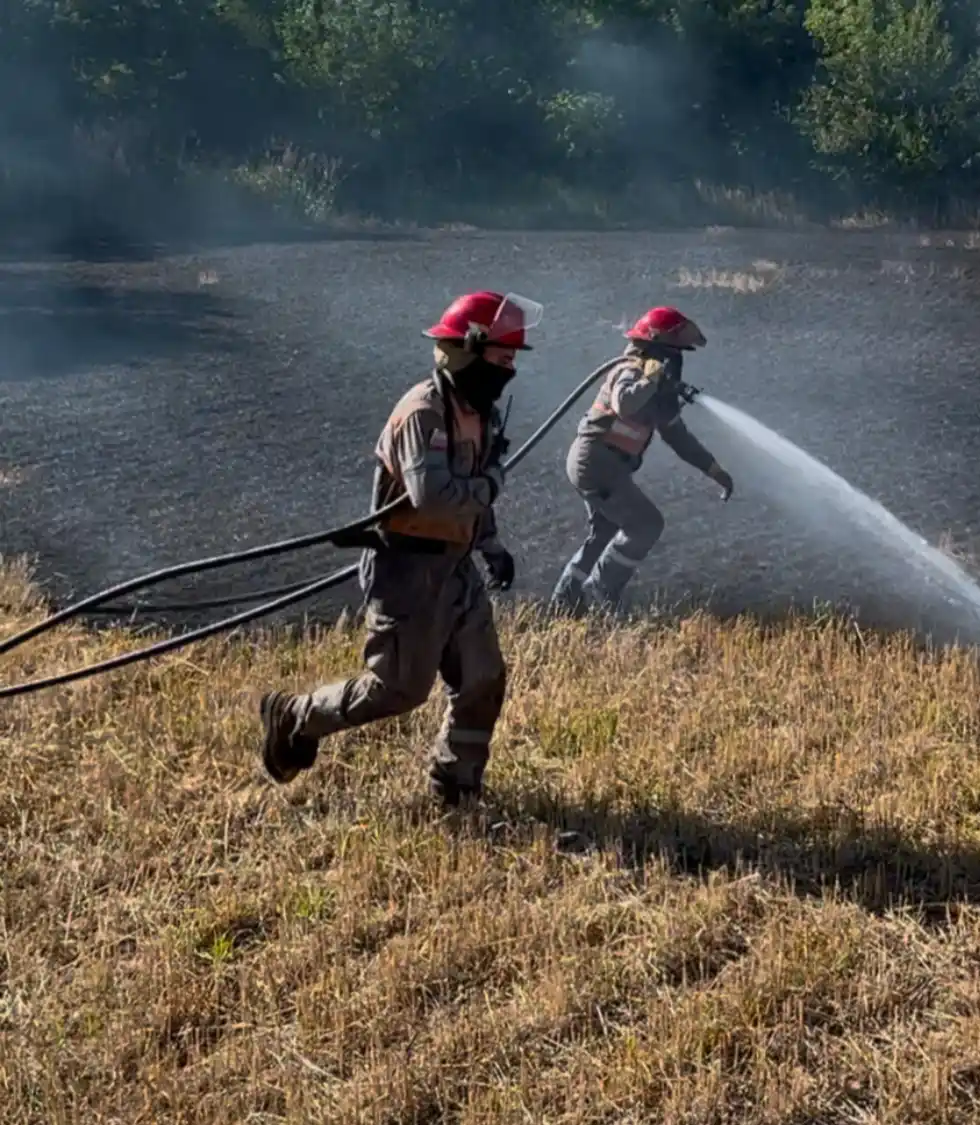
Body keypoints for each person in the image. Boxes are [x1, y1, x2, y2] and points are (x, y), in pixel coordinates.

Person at [257, 289, 539, 807]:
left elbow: (472, 489)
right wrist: (492, 486)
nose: (509, 373)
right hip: (407, 572)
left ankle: (455, 786)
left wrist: (491, 544)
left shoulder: (480, 413)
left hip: (455, 567)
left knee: (483, 677)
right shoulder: (423, 414)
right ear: (467, 351)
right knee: (397, 691)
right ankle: (295, 716)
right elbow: (432, 498)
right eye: (501, 361)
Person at [549, 305, 733, 615]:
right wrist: (649, 379)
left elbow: (679, 438)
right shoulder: (631, 369)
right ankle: (602, 588)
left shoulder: (659, 394)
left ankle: (565, 602)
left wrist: (714, 470)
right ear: (655, 347)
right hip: (596, 461)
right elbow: (624, 404)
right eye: (672, 353)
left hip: (601, 463)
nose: (675, 361)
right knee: (646, 524)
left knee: (605, 532)